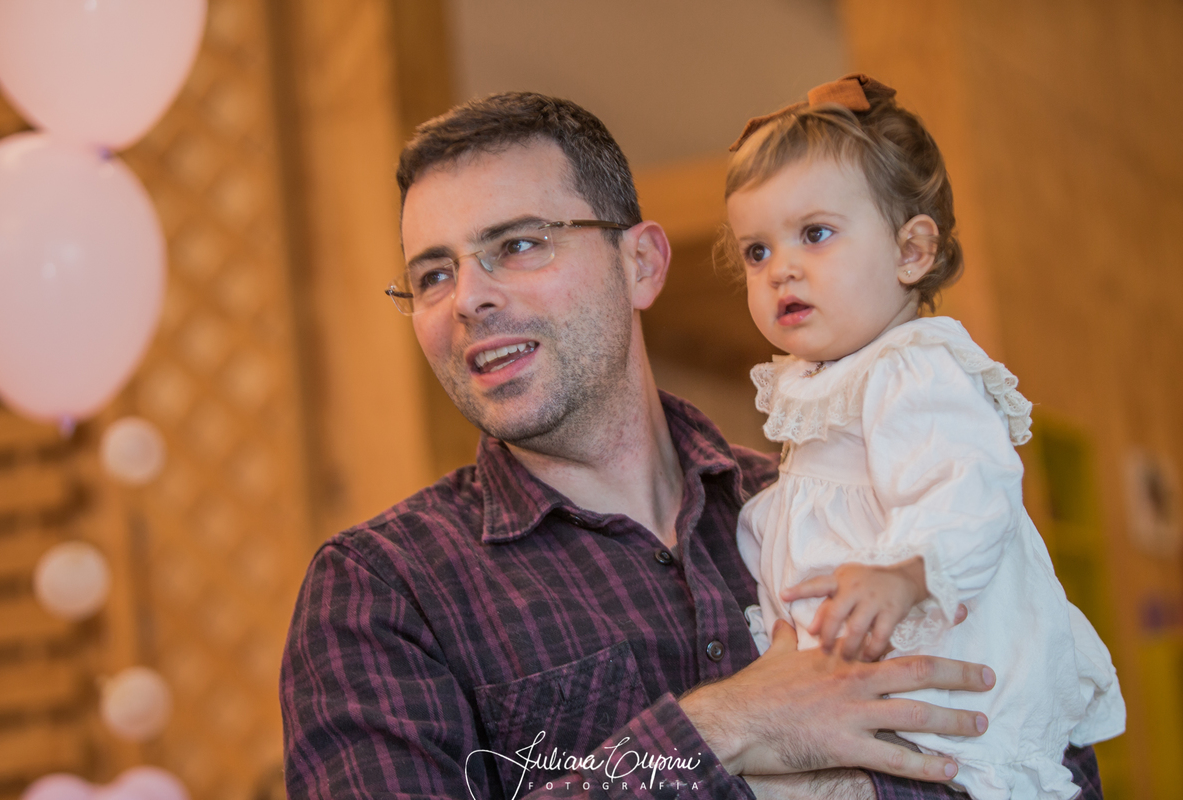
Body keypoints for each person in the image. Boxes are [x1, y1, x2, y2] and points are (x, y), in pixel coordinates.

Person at [279, 91, 1104, 799]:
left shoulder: (844, 503)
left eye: (518, 245)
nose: (467, 299)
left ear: (641, 263)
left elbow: (1051, 750)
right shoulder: (384, 591)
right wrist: (721, 727)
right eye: (432, 274)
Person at [724, 74, 1124, 799]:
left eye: (815, 234)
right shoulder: (825, 381)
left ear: (911, 251)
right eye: (756, 250)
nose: (780, 268)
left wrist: (905, 573)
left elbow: (969, 484)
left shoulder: (912, 366)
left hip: (946, 687)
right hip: (855, 699)